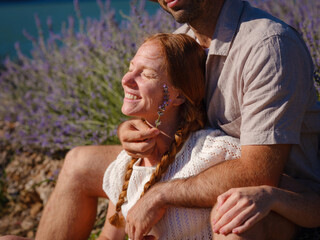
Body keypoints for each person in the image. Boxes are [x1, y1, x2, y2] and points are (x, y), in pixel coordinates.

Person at [2, 0, 319, 239]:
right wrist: (129, 129)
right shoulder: (183, 39)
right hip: (196, 158)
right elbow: (166, 107)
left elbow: (257, 172)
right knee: (78, 164)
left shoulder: (267, 45)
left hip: (278, 196)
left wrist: (159, 194)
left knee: (231, 216)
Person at [100, 32, 243, 239]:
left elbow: (288, 188)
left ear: (178, 95)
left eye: (147, 75)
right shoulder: (123, 167)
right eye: (131, 68)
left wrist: (272, 197)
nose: (126, 79)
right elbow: (108, 236)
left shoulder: (212, 153)